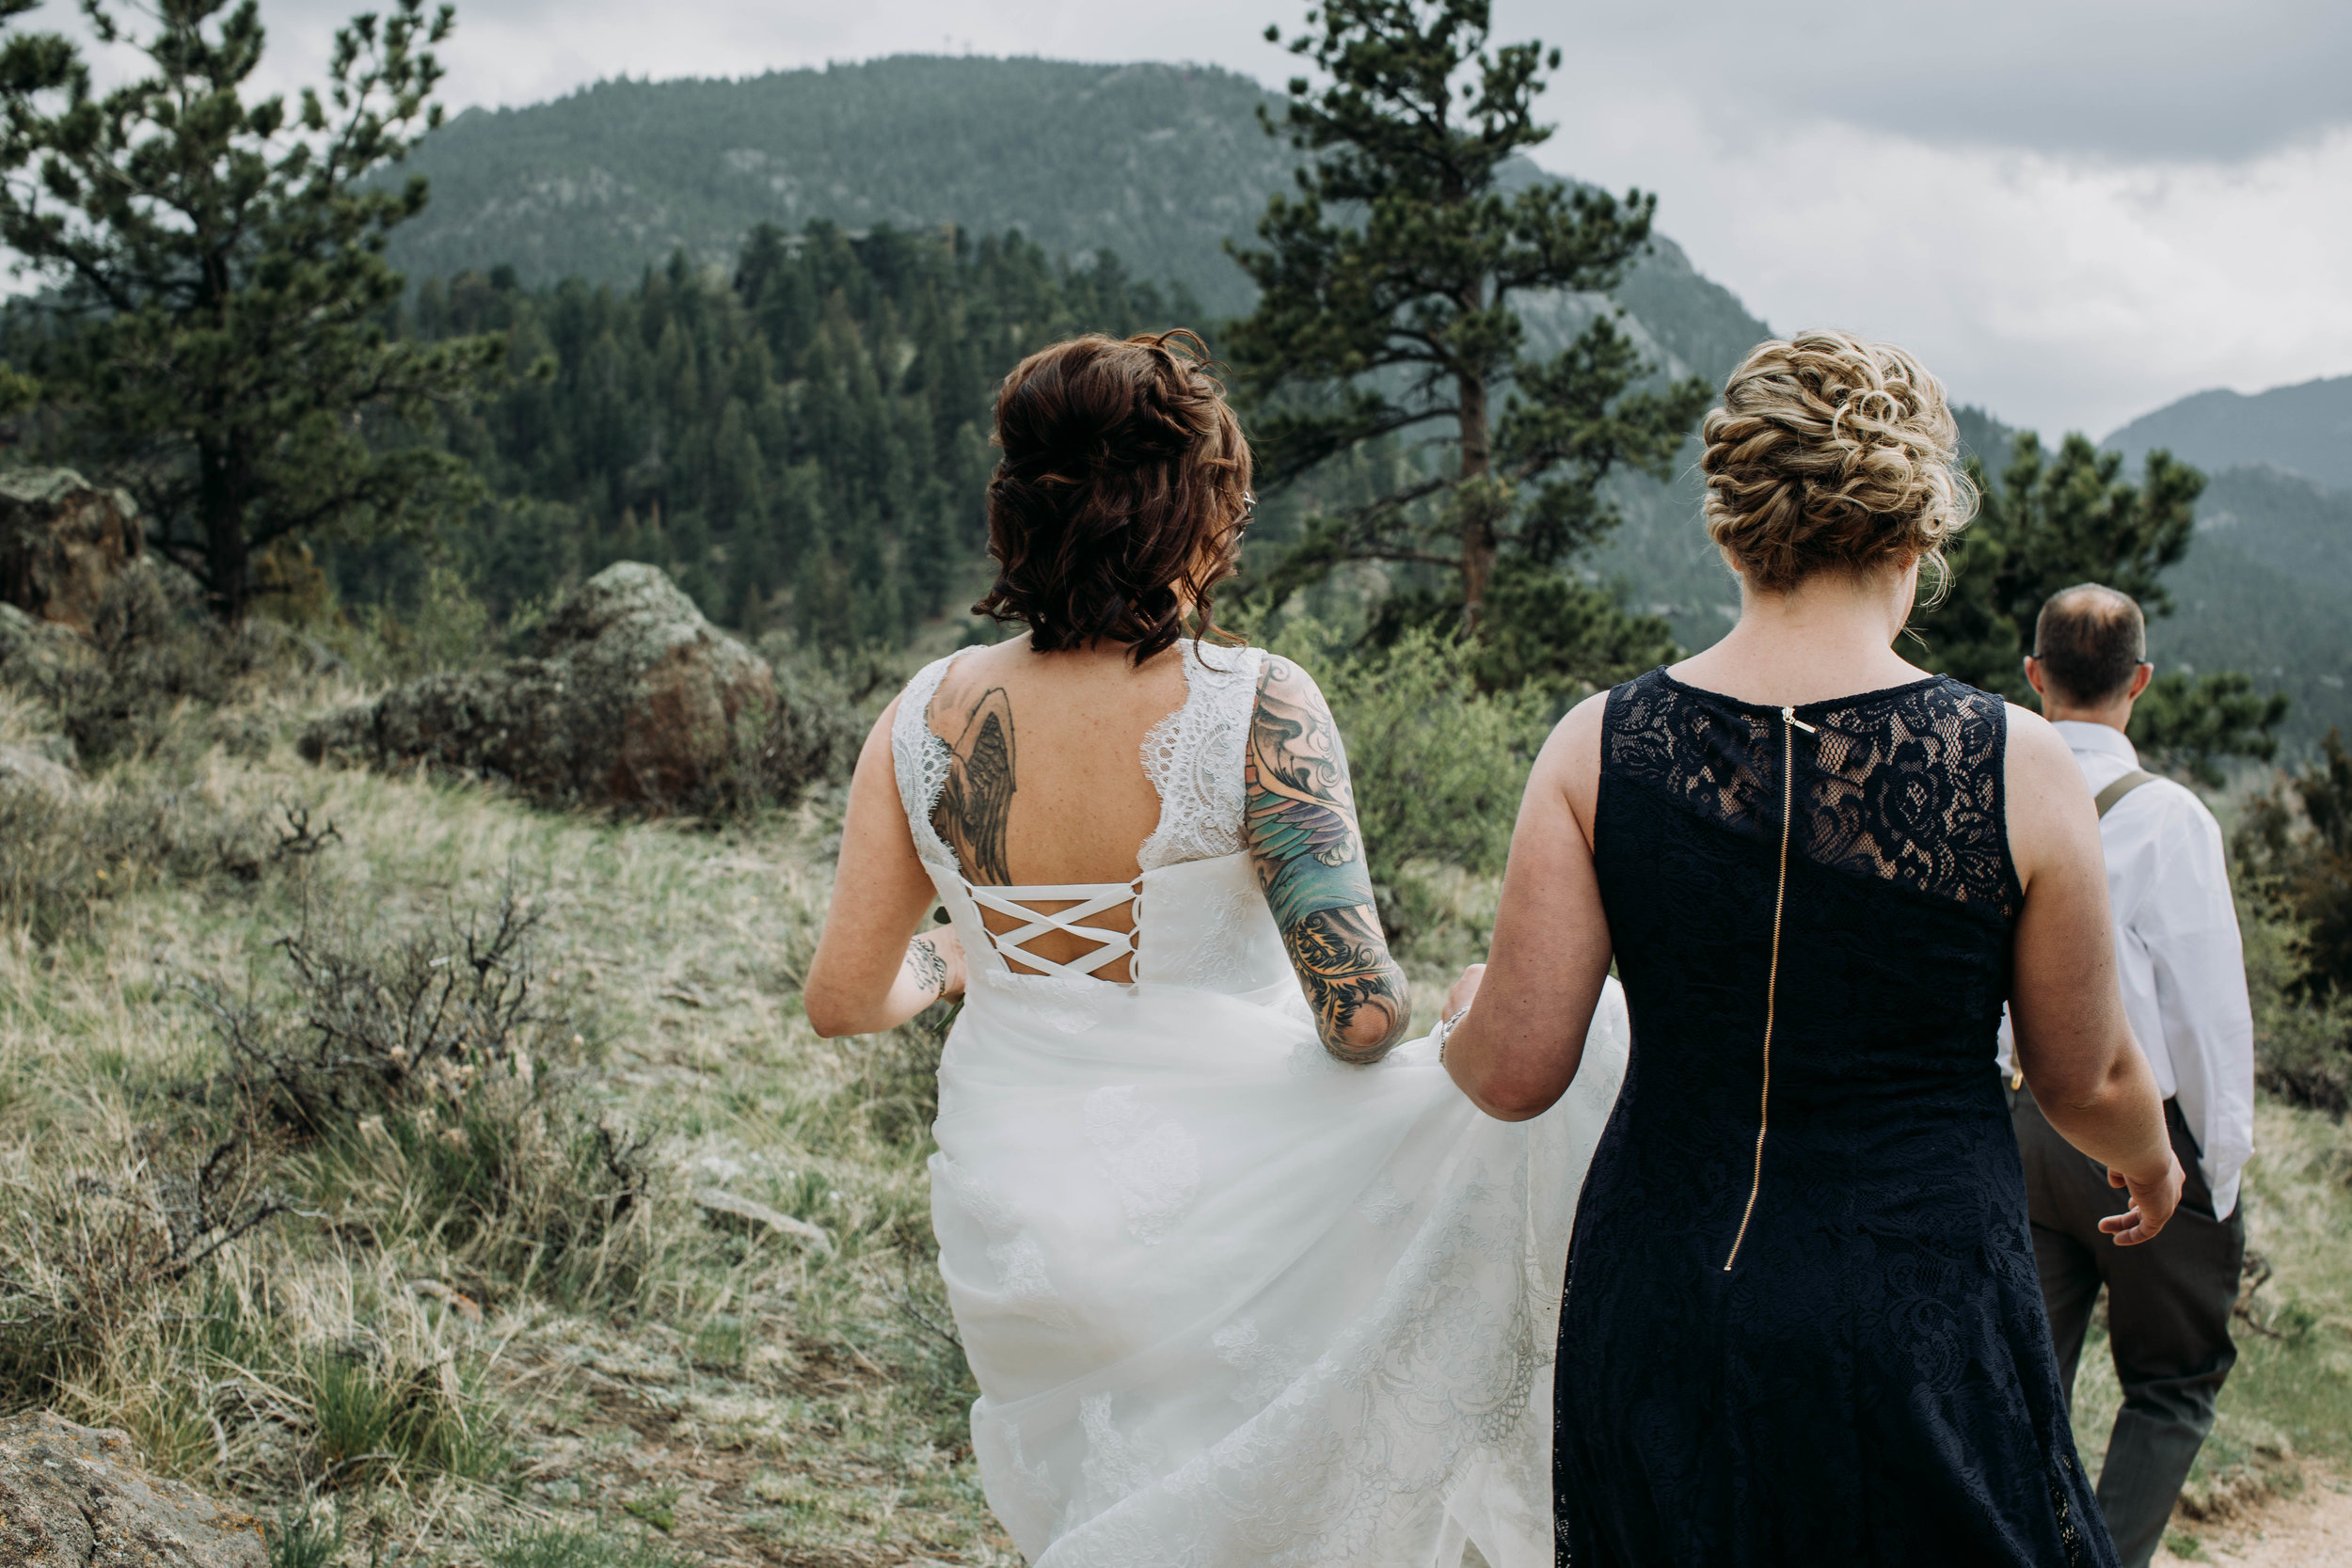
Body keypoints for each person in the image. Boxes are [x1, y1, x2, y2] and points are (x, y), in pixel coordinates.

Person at [801, 329, 1628, 1568]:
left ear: (1021, 508)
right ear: (1196, 511)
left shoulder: (917, 718)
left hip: (1019, 1201)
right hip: (1237, 1197)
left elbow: (845, 997)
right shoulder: (1257, 702)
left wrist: (964, 957)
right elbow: (1358, 1017)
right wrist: (1463, 1015)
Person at [1438, 331, 2184, 1567]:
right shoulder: (2019, 761)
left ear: (1729, 524)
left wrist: (1466, 1008)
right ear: (1919, 532)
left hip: (1668, 1277)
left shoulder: (1595, 745)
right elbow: (2082, 1077)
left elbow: (1515, 1067)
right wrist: (2150, 1160)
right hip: (1922, 1295)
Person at [2000, 583, 2254, 1568]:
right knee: (2172, 1381)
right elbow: (2207, 1017)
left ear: (2034, 676)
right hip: (2145, 1136)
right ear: (2139, 681)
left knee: (2023, 1385)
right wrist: (2217, 1169)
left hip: (2019, 1125)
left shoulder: (1993, 794)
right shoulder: (2173, 820)